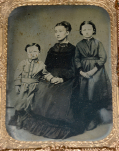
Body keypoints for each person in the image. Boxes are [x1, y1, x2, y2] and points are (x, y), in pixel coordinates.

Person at [20, 21, 86, 139]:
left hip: (68, 78)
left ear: (67, 32)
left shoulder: (73, 49)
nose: (57, 34)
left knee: (59, 93)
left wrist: (61, 78)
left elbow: (73, 68)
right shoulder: (52, 49)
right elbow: (46, 66)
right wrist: (49, 77)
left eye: (60, 31)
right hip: (51, 75)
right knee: (42, 88)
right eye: (56, 31)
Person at [74, 21, 112, 130]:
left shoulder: (98, 43)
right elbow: (76, 59)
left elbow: (103, 58)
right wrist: (81, 72)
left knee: (93, 92)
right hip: (83, 72)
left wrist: (92, 71)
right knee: (83, 94)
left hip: (96, 71)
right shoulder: (79, 45)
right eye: (84, 30)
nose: (86, 32)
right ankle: (84, 119)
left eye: (89, 29)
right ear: (81, 31)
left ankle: (93, 119)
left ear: (93, 30)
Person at [9, 43, 55, 129]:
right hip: (24, 86)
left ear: (39, 52)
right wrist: (17, 85)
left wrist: (52, 79)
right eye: (30, 52)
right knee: (21, 103)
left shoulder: (41, 65)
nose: (32, 54)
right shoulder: (23, 63)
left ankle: (29, 123)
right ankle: (20, 119)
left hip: (35, 87)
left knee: (31, 105)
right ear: (26, 53)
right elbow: (18, 74)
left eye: (35, 51)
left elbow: (46, 74)